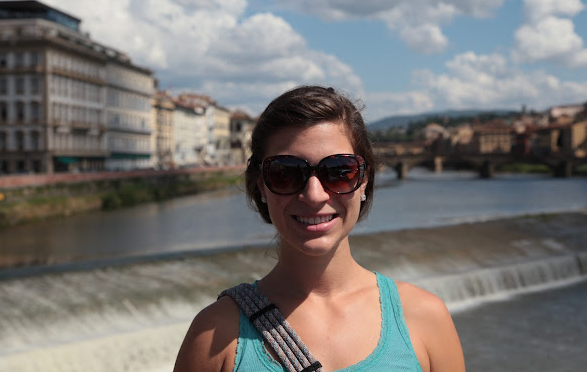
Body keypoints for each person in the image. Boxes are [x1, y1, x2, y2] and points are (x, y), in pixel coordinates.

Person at [174, 86, 465, 372]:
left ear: (364, 181)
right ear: (261, 186)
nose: (314, 195)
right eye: (286, 173)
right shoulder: (213, 336)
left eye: (339, 172)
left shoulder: (426, 318)